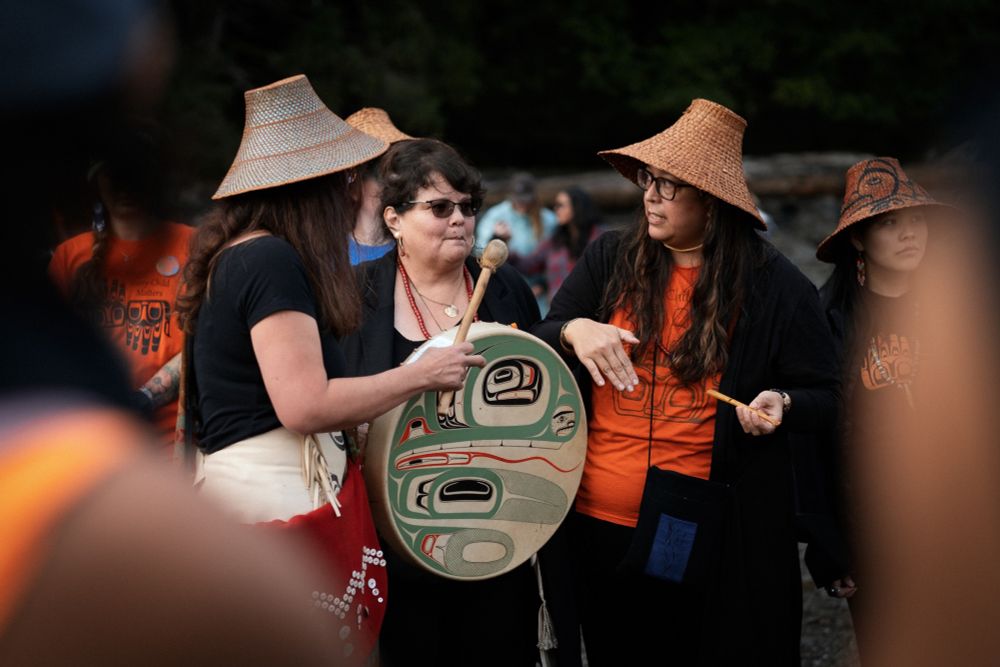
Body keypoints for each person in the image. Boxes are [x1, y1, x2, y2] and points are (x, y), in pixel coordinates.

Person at [178, 76, 484, 666]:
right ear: (313, 189)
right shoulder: (270, 259)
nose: (357, 194)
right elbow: (304, 404)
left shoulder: (241, 252)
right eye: (348, 180)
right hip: (276, 511)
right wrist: (423, 373)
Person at [531, 98, 840, 666]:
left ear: (713, 201)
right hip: (597, 519)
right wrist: (576, 329)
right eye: (650, 179)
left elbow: (831, 395)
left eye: (669, 185)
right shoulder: (610, 258)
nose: (649, 194)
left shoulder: (775, 285)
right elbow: (541, 336)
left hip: (705, 526)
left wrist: (783, 402)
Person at [341, 138, 543, 667]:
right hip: (399, 543)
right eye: (439, 207)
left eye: (467, 207)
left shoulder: (506, 288)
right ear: (394, 220)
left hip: (498, 538)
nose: (460, 220)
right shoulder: (357, 297)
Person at [808, 156, 953, 655]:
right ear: (857, 238)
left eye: (916, 219)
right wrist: (830, 550)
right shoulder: (828, 325)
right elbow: (815, 445)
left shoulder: (953, 311)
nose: (910, 233)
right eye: (890, 222)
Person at [48, 123, 193, 446]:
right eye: (115, 172)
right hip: (90, 442)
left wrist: (144, 398)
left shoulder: (193, 246)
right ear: (97, 181)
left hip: (175, 442)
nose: (127, 184)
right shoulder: (69, 257)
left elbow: (207, 341)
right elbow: (51, 349)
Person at [508, 185, 603, 304]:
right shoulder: (555, 241)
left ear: (577, 207)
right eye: (556, 205)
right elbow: (529, 265)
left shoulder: (599, 238)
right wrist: (503, 248)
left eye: (561, 205)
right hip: (560, 311)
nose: (556, 209)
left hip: (592, 309)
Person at [475, 172, 557, 309]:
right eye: (519, 200)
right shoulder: (495, 216)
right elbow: (480, 254)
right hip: (504, 287)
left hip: (539, 292)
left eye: (526, 200)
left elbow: (558, 256)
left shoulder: (549, 220)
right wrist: (497, 238)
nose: (522, 204)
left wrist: (543, 284)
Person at [345, 107, 414, 265]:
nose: (394, 189)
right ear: (353, 183)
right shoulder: (329, 252)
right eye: (382, 178)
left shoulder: (414, 250)